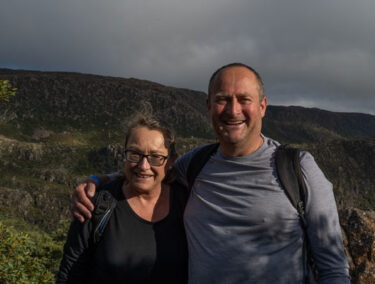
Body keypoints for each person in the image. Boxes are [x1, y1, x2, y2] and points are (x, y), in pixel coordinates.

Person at [72, 63, 350, 283]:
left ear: (263, 106)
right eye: (222, 100)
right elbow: (149, 170)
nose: (232, 110)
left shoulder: (297, 168)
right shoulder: (196, 164)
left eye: (244, 99)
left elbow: (333, 269)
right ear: (208, 107)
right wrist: (98, 180)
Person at [57, 112, 188, 283]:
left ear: (171, 161)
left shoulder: (187, 202)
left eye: (155, 157)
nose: (143, 166)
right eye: (135, 154)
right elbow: (70, 275)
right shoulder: (98, 204)